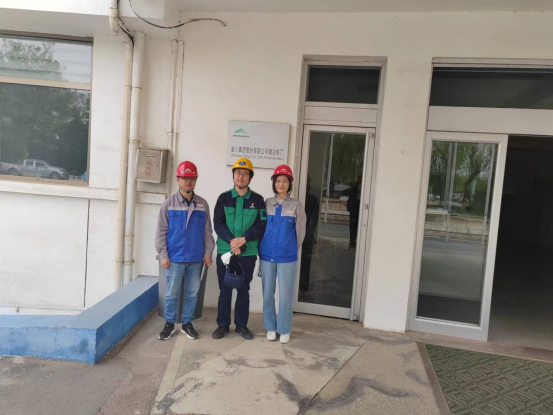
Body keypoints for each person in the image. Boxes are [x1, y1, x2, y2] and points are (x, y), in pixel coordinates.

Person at [155, 161, 215, 341]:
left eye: (192, 178)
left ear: (196, 180)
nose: (188, 181)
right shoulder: (168, 204)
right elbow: (161, 232)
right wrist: (163, 255)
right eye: (185, 178)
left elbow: (208, 232)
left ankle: (187, 323)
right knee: (171, 294)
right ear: (178, 179)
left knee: (192, 293)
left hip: (196, 258)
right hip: (175, 258)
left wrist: (208, 253)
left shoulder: (202, 204)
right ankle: (169, 323)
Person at [212, 157, 267, 340]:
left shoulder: (258, 200)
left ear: (250, 177)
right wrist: (232, 242)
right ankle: (222, 325)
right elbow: (218, 223)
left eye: (244, 173)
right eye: (237, 173)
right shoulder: (224, 198)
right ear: (233, 175)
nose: (240, 176)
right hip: (226, 251)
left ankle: (241, 326)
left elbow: (261, 225)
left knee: (243, 290)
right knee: (224, 289)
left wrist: (243, 240)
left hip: (247, 252)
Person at [259, 165, 306, 344]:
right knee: (267, 294)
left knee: (286, 295)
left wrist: (291, 249)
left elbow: (300, 232)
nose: (281, 184)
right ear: (274, 183)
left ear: (290, 184)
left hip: (287, 256)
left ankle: (284, 329)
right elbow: (260, 228)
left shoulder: (296, 205)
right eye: (278, 181)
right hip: (267, 255)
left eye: (285, 181)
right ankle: (270, 327)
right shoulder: (266, 203)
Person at [343, 175, 362, 250]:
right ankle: (354, 243)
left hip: (354, 210)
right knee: (357, 227)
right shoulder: (357, 188)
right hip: (357, 210)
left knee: (353, 227)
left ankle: (352, 243)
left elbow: (345, 192)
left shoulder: (354, 188)